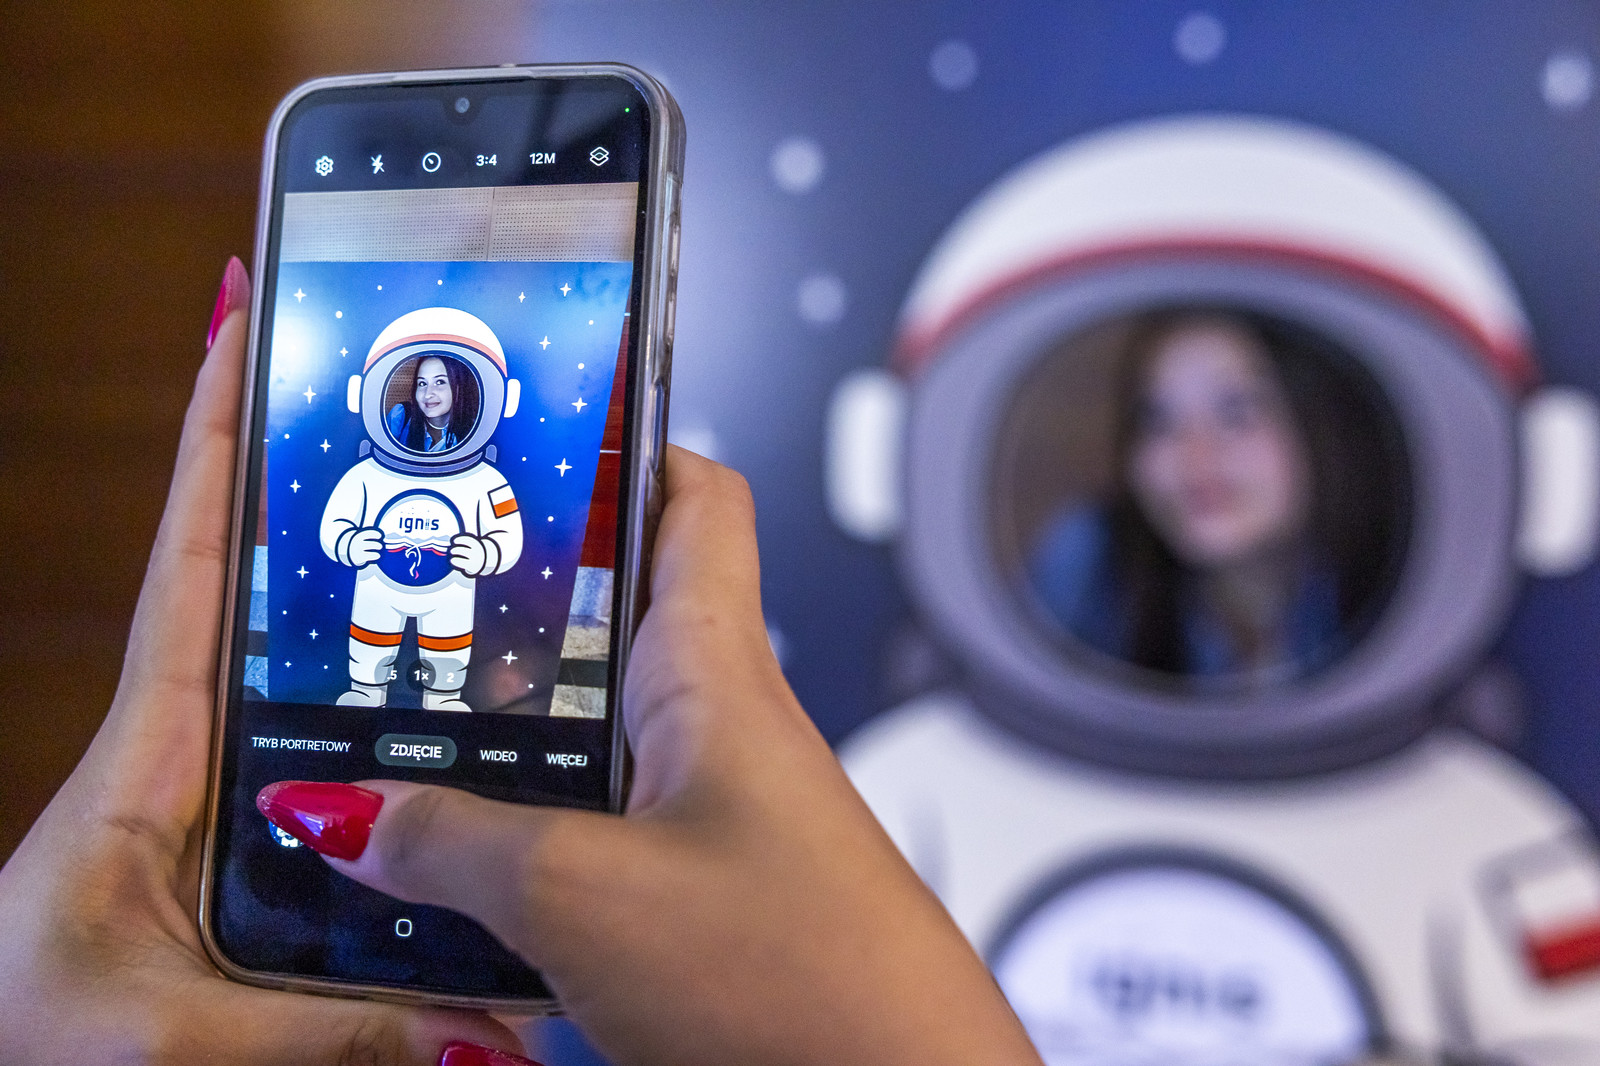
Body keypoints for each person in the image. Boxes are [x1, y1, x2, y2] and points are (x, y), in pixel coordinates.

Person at [0, 258, 1046, 1066]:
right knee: (366, 681)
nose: (434, 402)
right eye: (421, 387)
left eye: (448, 389)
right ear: (391, 392)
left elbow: (501, 545)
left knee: (445, 686)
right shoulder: (369, 471)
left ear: (475, 399)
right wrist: (364, 545)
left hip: (448, 611)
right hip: (379, 607)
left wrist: (469, 552)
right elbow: (337, 531)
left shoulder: (484, 479)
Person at [1028, 310, 1403, 684]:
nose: (1194, 459)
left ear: (1317, 423)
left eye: (1235, 413)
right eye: (1158, 421)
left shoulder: (1400, 587)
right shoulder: (1087, 561)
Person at [387, 353, 479, 453]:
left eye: (440, 382)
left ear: (459, 387)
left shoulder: (475, 432)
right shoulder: (400, 416)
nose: (427, 394)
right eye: (422, 383)